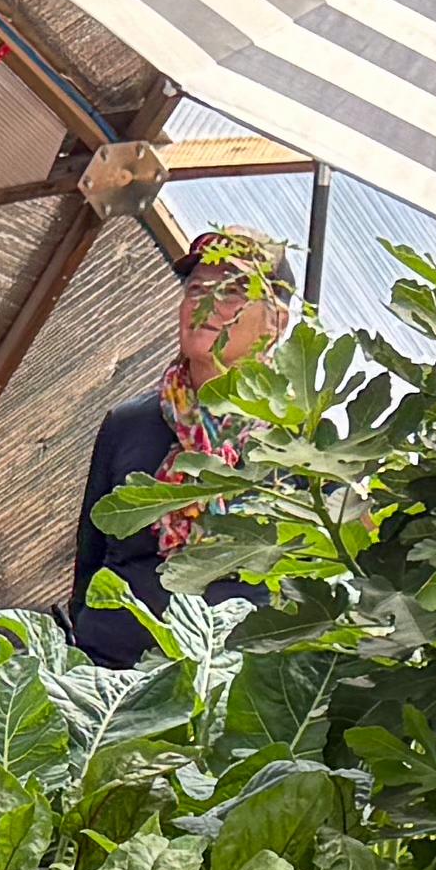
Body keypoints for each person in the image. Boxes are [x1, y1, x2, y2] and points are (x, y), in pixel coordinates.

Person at [68, 235, 294, 669]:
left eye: (231, 292)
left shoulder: (298, 439)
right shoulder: (129, 423)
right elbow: (90, 558)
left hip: (233, 689)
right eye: (196, 290)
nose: (205, 305)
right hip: (114, 675)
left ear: (275, 323)